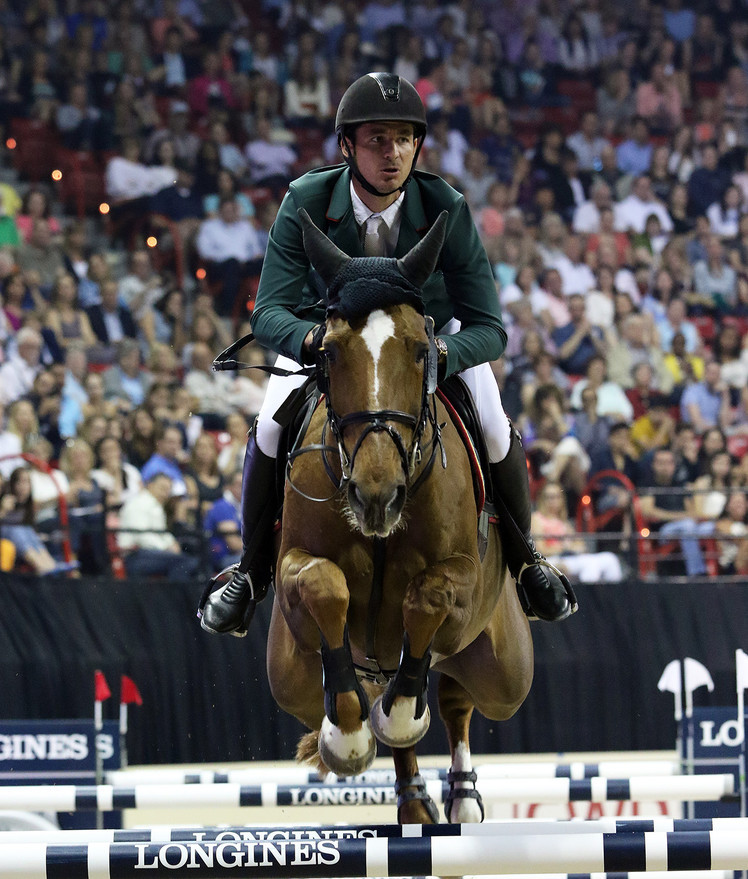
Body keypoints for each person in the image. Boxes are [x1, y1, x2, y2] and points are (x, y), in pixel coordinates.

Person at [200, 72, 575, 638]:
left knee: (495, 429)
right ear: (346, 145)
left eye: (404, 139)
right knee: (270, 430)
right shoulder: (304, 200)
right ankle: (251, 573)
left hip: (428, 343)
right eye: (377, 139)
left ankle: (526, 563)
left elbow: (490, 327)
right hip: (327, 342)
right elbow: (268, 312)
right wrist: (311, 344)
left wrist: (442, 354)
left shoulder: (445, 204)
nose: (393, 153)